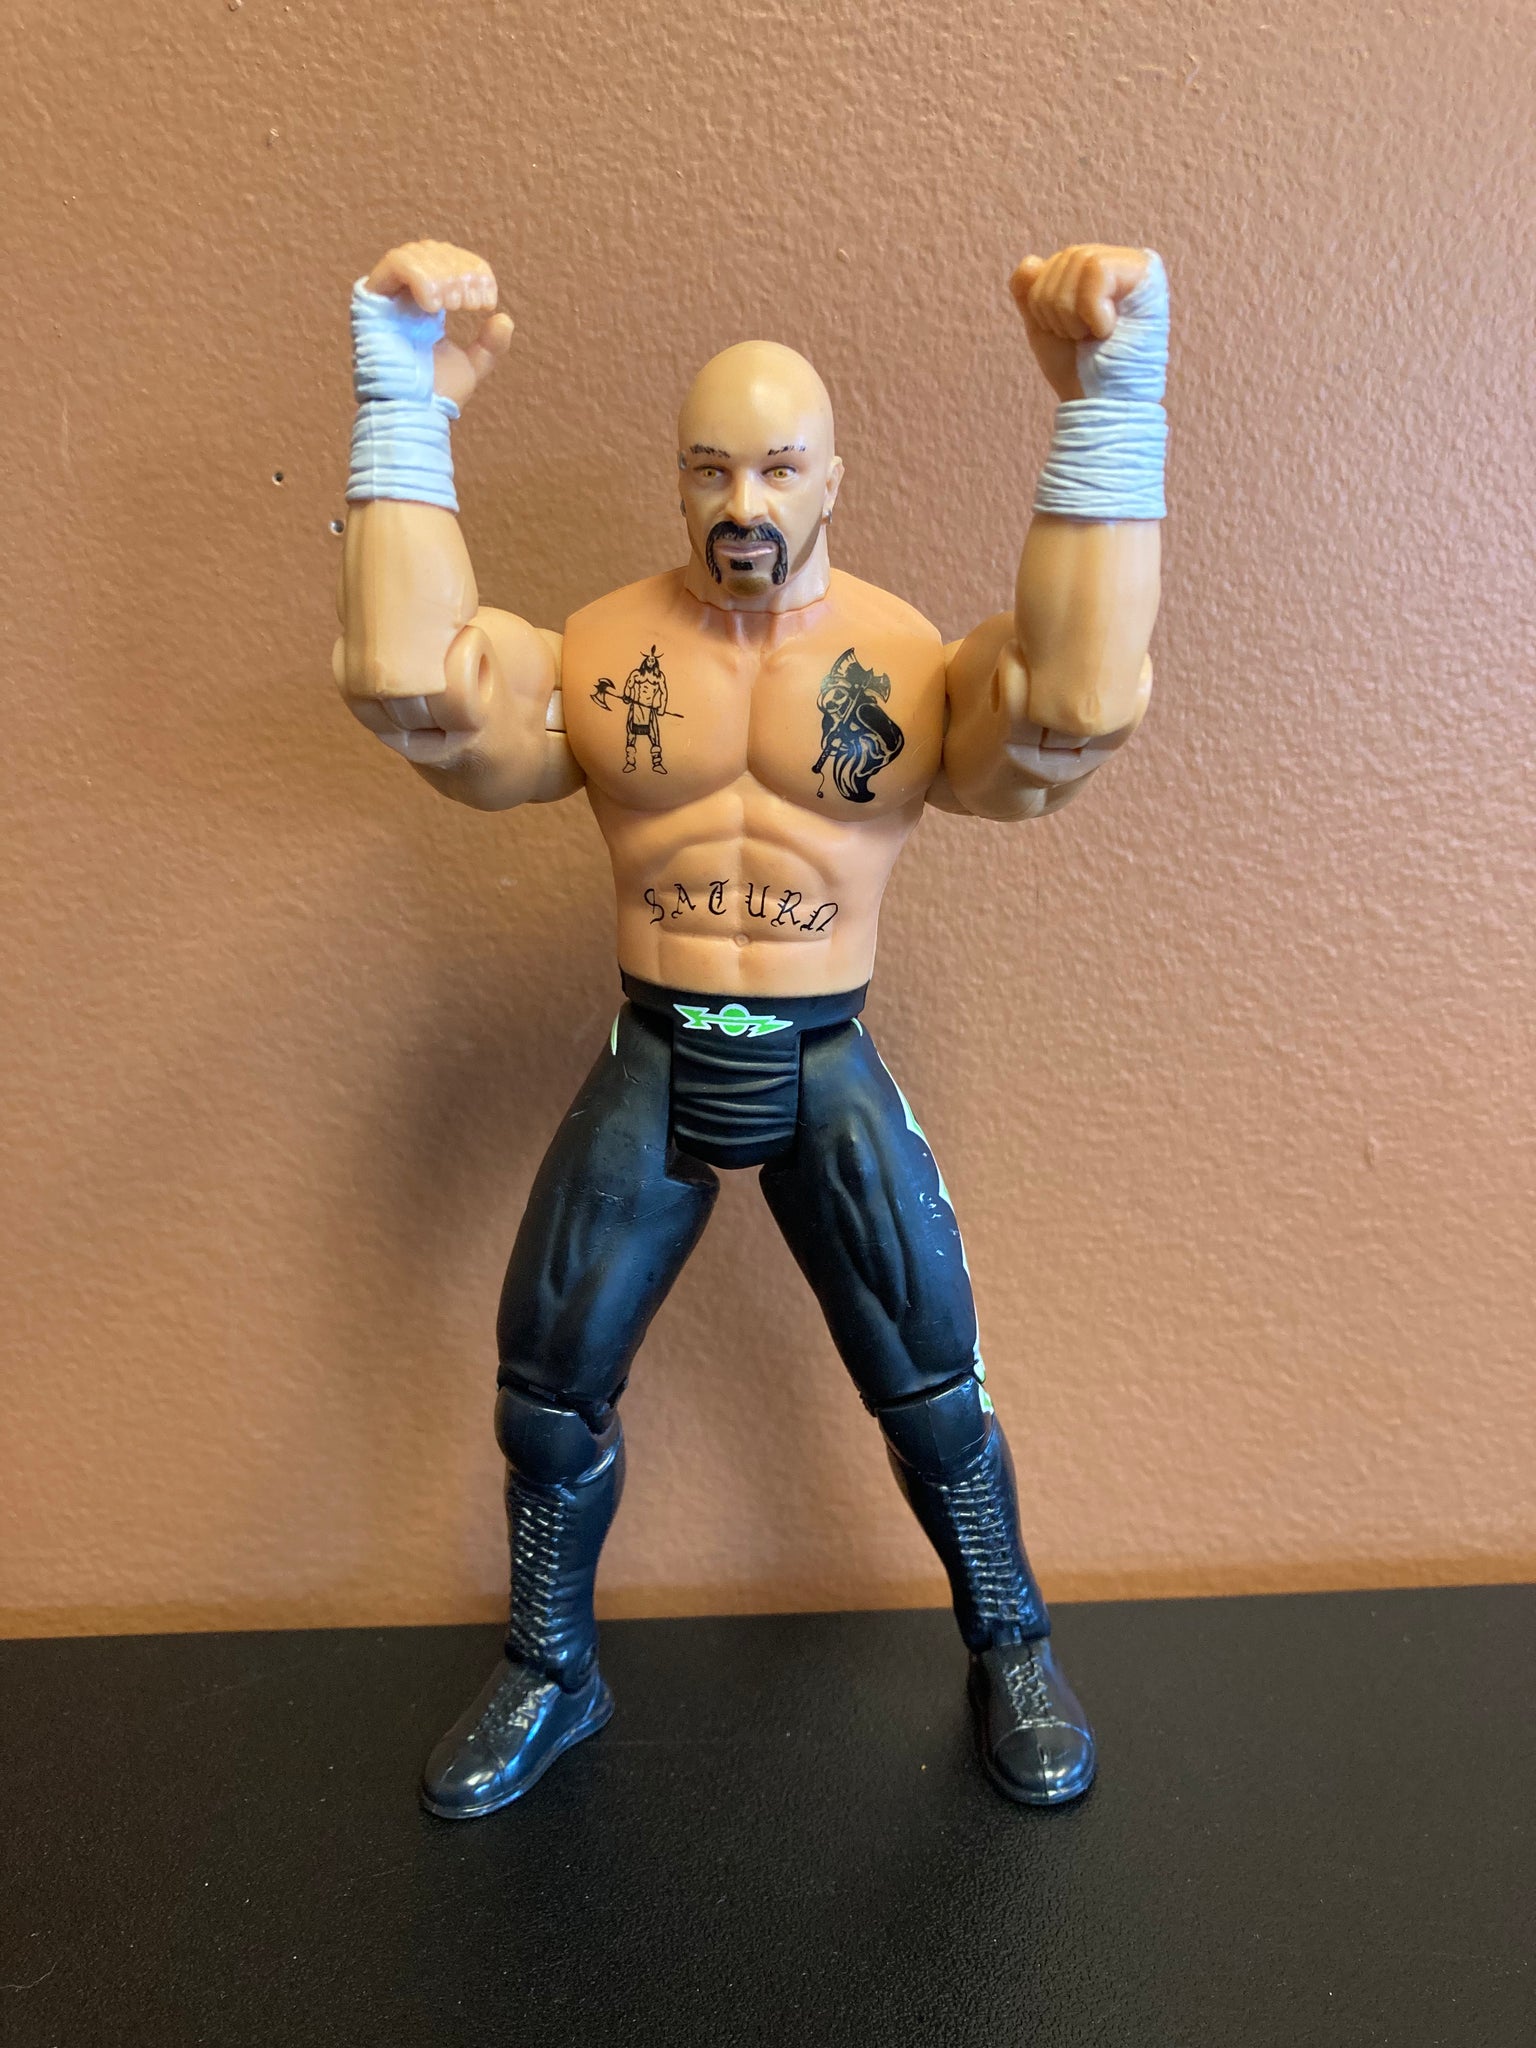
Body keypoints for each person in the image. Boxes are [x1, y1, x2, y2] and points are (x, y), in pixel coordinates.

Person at [334, 236, 1167, 1817]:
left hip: (820, 1059)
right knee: (547, 1384)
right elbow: (413, 686)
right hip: (654, 1052)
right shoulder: (602, 648)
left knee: (931, 1383)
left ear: (833, 478)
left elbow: (1071, 707)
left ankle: (1011, 1644)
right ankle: (549, 1666)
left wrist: (1109, 411)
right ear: (677, 481)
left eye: (779, 468)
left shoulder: (907, 661)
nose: (743, 503)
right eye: (712, 469)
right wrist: (401, 406)